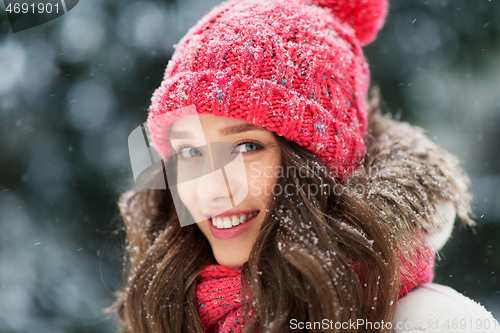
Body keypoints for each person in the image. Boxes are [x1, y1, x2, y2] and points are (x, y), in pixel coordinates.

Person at [106, 0, 500, 332]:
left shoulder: (435, 324)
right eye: (189, 153)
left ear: (321, 161)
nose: (210, 188)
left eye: (245, 146)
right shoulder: (167, 311)